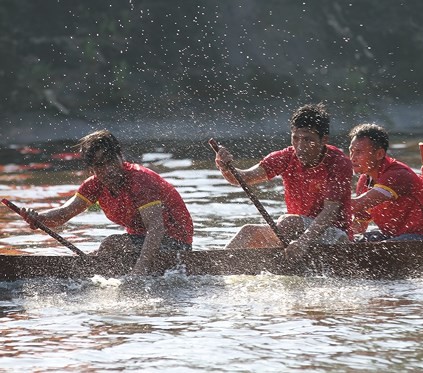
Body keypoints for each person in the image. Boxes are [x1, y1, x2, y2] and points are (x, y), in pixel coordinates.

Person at [20, 130, 194, 275]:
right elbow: (63, 214)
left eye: (111, 161)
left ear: (120, 156)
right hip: (138, 243)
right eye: (100, 165)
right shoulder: (94, 185)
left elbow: (156, 228)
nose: (108, 170)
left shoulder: (140, 180)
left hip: (175, 242)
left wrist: (139, 273)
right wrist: (39, 219)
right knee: (105, 250)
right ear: (92, 168)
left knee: (110, 245)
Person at [214, 103, 353, 259]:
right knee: (248, 232)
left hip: (335, 235)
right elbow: (242, 179)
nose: (300, 147)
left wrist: (303, 242)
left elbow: (330, 212)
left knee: (287, 222)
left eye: (308, 140)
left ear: (324, 140)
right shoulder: (286, 157)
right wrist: (225, 167)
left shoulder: (339, 163)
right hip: (295, 231)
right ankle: (213, 269)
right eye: (295, 138)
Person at [349, 123, 423, 241]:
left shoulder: (396, 174)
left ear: (379, 154)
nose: (352, 157)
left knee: (382, 248)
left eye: (359, 152)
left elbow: (358, 204)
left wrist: (325, 202)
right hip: (396, 237)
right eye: (351, 151)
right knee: (355, 242)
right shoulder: (364, 181)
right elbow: (359, 226)